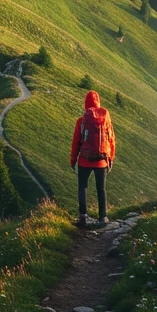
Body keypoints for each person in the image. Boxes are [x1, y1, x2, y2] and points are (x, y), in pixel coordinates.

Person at [69, 88, 115, 227]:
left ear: (86, 104)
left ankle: (83, 216)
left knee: (82, 187)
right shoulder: (106, 120)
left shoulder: (81, 121)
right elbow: (111, 139)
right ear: (98, 103)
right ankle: (103, 217)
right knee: (101, 189)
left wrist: (73, 160)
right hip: (101, 161)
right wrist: (110, 158)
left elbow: (76, 142)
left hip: (84, 159)